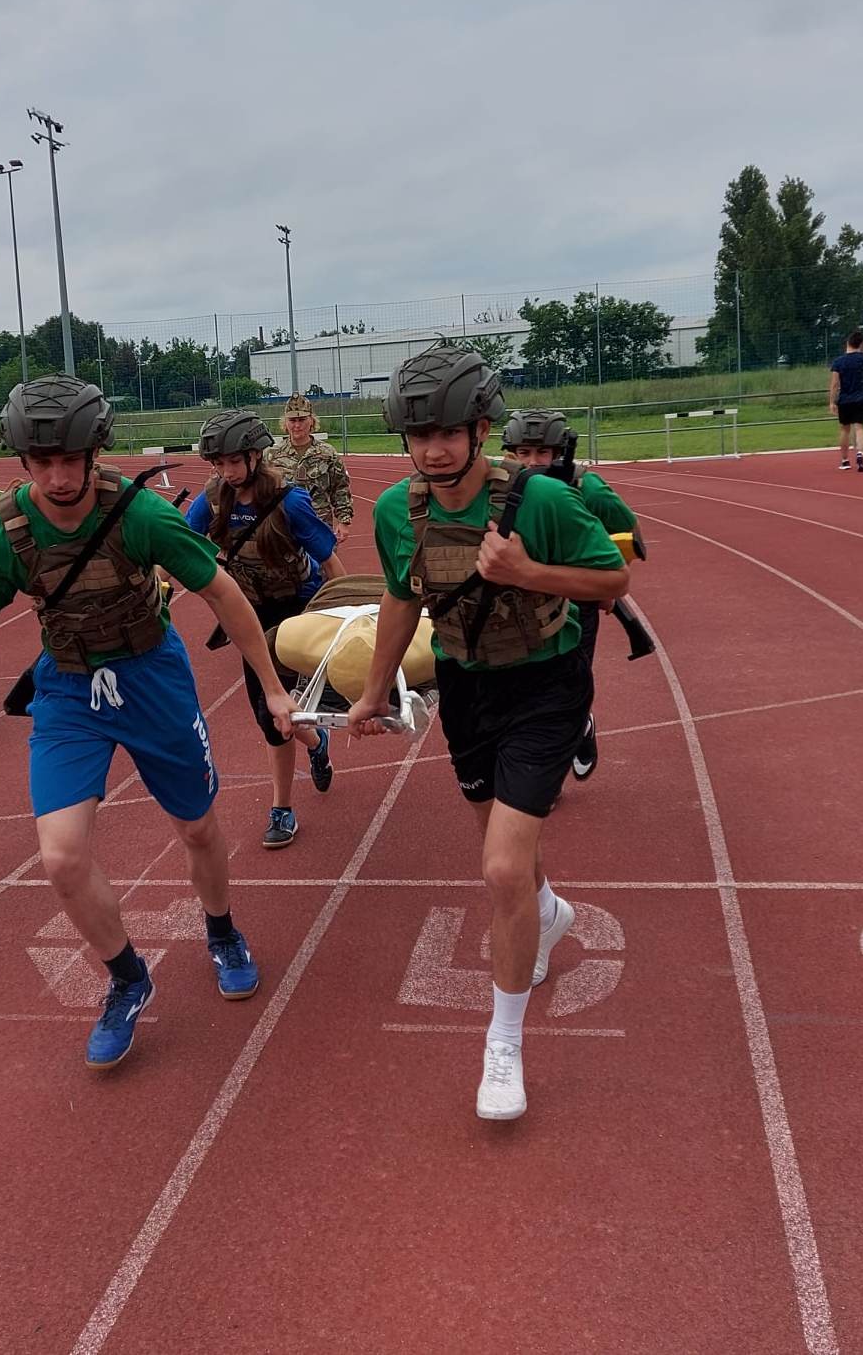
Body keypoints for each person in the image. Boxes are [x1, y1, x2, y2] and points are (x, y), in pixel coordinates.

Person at [0, 376, 297, 1073]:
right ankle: (127, 977)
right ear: (22, 461)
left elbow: (221, 591)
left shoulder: (141, 516)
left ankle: (221, 931)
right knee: (62, 856)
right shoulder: (5, 533)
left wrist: (273, 688)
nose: (60, 478)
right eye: (43, 463)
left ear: (95, 453)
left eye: (72, 460)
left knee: (197, 828)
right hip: (69, 691)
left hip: (152, 678)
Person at [347, 347, 626, 1121]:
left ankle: (502, 1044)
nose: (434, 449)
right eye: (419, 435)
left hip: (546, 687)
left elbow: (613, 581)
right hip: (465, 690)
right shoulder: (394, 512)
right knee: (505, 851)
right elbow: (401, 597)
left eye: (448, 432)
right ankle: (549, 911)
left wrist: (527, 573)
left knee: (500, 868)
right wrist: (373, 690)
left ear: (480, 429)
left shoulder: (542, 500)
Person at [187, 410, 344, 849]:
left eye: (233, 462)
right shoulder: (212, 499)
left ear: (255, 456)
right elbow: (181, 543)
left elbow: (331, 563)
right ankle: (316, 742)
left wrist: (344, 616)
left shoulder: (290, 502)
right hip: (250, 615)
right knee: (269, 714)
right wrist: (158, 582)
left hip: (297, 610)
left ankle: (281, 809)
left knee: (278, 711)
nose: (226, 472)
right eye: (218, 463)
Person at [500, 409, 640, 781]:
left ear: (560, 453)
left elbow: (628, 531)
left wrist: (603, 580)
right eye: (523, 452)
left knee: (565, 688)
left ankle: (572, 737)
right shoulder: (499, 486)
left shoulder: (585, 487)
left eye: (542, 453)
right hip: (517, 604)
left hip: (575, 604)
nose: (532, 461)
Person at [269, 393, 355, 544]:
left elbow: (340, 488)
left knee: (324, 559)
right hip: (284, 526)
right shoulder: (272, 455)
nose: (297, 425)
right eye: (292, 420)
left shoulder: (327, 453)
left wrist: (344, 521)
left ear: (311, 421)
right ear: (285, 423)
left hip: (318, 524)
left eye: (302, 420)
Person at [829, 329, 863, 473]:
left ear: (847, 343)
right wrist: (862, 342)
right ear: (860, 344)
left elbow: (835, 384)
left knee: (844, 429)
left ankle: (845, 460)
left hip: (845, 399)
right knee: (860, 428)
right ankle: (860, 453)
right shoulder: (862, 359)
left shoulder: (838, 362)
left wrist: (832, 401)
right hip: (861, 397)